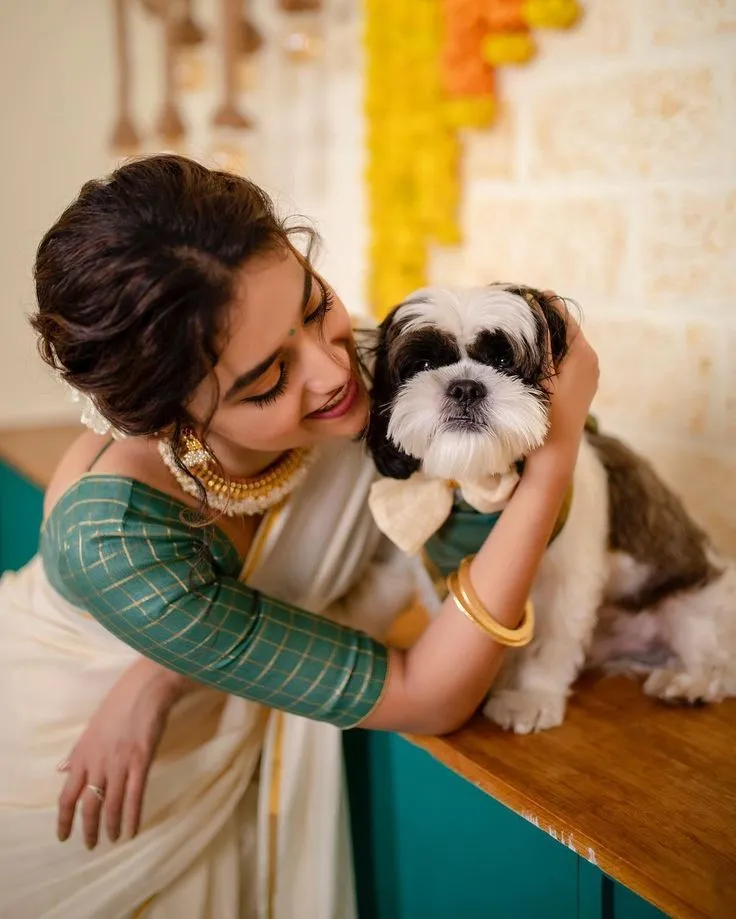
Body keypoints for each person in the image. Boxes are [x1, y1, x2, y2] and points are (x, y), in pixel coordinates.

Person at [0, 154, 599, 919]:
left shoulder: (370, 370)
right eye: (268, 381)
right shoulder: (116, 538)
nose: (332, 370)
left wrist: (162, 670)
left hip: (224, 715)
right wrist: (557, 455)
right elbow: (427, 695)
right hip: (86, 787)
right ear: (167, 414)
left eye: (315, 306)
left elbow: (477, 531)